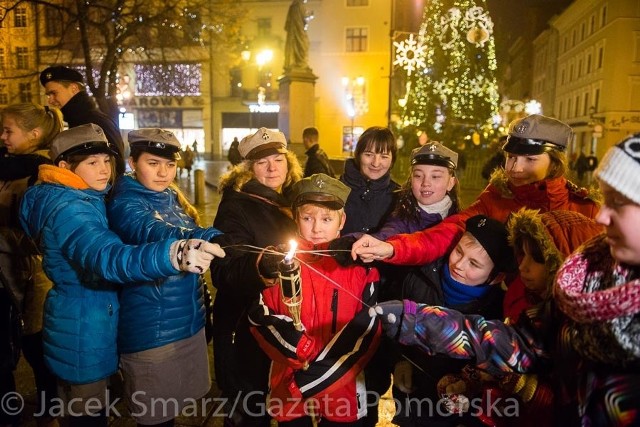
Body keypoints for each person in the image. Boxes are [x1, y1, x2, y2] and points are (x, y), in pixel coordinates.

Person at [369, 133, 640, 426]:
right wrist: (419, 320)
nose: (602, 216)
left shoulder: (583, 228)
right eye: (511, 157)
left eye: (619, 203)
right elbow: (519, 345)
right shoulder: (584, 281)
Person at [19, 123, 224, 427]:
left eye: (105, 160)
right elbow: (108, 256)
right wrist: (175, 253)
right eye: (92, 163)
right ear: (65, 166)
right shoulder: (70, 209)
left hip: (95, 319)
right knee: (86, 415)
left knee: (96, 410)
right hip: (82, 325)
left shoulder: (86, 197)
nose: (103, 170)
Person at [352, 114, 601, 320]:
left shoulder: (584, 209)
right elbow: (447, 231)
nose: (515, 168)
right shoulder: (495, 196)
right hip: (500, 316)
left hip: (564, 321)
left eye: (530, 159)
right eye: (511, 157)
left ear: (555, 161)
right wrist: (392, 248)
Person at [106, 128, 224, 426]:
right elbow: (152, 231)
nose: (163, 172)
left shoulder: (170, 197)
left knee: (174, 410)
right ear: (133, 162)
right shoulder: (126, 202)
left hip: (186, 322)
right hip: (152, 330)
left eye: (169, 165)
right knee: (156, 416)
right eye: (153, 163)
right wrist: (204, 236)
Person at [248, 173, 381, 425]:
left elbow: (368, 328)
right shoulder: (277, 263)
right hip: (289, 383)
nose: (317, 227)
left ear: (341, 220)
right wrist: (296, 346)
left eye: (326, 219)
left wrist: (315, 380)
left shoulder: (360, 267)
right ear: (296, 218)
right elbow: (258, 316)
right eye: (308, 218)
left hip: (340, 386)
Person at [210, 127, 303, 427]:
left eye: (278, 159)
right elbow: (224, 270)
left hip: (277, 323)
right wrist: (261, 266)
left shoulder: (291, 200)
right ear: (248, 169)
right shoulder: (236, 205)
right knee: (247, 410)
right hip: (243, 329)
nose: (273, 167)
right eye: (263, 162)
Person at [392, 215, 517, 427]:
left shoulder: (496, 311)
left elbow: (492, 366)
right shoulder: (419, 279)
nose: (458, 264)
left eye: (474, 264)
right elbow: (393, 326)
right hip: (412, 401)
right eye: (458, 251)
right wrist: (398, 360)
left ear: (496, 277)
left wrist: (469, 388)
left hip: (459, 414)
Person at [0, 103, 63, 427]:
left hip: (31, 275)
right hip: (5, 273)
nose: (2, 137)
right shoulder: (6, 167)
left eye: (9, 130)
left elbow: (42, 237)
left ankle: (48, 410)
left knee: (37, 348)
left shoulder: (42, 175)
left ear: (34, 134)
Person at [39, 65, 127, 177]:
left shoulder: (91, 122)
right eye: (48, 95)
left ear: (74, 88)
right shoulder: (82, 119)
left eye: (54, 93)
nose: (50, 101)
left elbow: (115, 167)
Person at [372, 141, 460, 240]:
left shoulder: (460, 224)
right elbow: (390, 231)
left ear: (451, 183)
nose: (425, 183)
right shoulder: (402, 214)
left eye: (435, 176)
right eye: (418, 175)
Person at [340, 126, 400, 235]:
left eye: (384, 157)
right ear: (358, 155)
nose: (376, 163)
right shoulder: (336, 190)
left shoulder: (399, 196)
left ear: (392, 160)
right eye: (368, 155)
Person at [284, 0, 310, 70]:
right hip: (299, 31)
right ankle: (300, 63)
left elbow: (287, 25)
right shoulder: (300, 5)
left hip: (293, 33)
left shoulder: (292, 6)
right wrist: (310, 16)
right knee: (304, 44)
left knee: (298, 45)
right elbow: (304, 18)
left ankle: (296, 62)